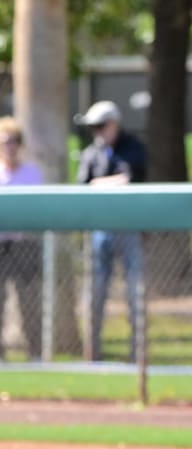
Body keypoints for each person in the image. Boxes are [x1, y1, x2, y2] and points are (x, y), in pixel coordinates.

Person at [74, 100, 147, 362]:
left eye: (101, 126)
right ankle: (92, 354)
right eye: (94, 128)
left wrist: (98, 183)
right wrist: (104, 183)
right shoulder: (92, 153)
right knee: (95, 293)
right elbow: (82, 185)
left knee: (134, 293)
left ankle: (138, 354)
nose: (98, 132)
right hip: (99, 231)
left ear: (114, 124)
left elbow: (128, 179)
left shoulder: (133, 148)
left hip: (128, 229)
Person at [0, 116, 44, 363]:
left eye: (14, 141)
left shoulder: (32, 173)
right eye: (5, 142)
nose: (10, 147)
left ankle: (35, 352)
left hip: (25, 243)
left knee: (30, 302)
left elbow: (37, 208)